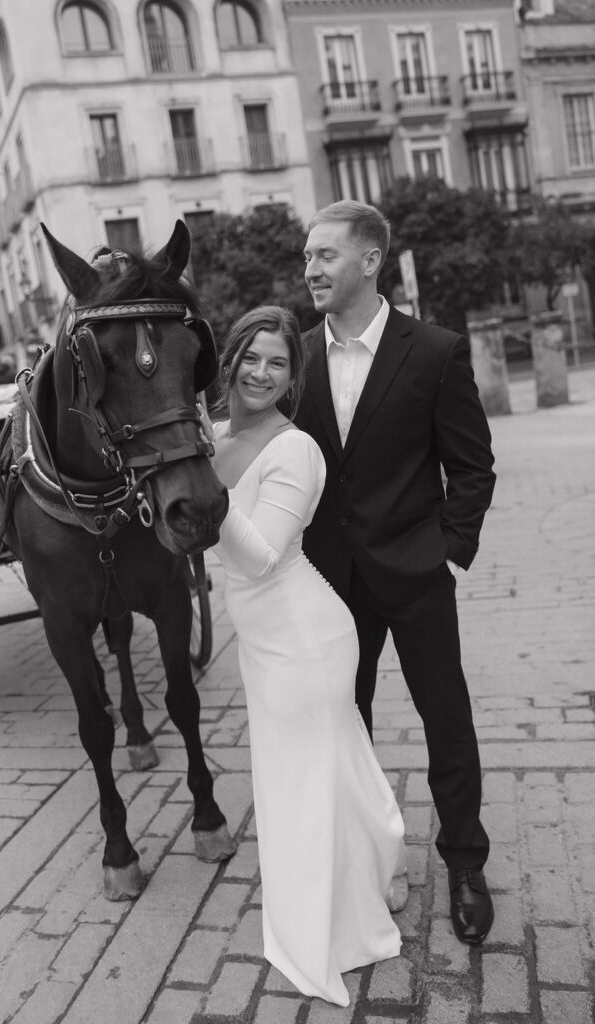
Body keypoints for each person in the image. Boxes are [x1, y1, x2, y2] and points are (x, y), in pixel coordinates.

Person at [295, 199, 496, 946]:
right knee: (345, 725)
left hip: (414, 572)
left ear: (371, 260)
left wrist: (445, 548)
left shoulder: (436, 351)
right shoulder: (297, 357)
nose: (309, 268)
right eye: (307, 257)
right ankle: (368, 858)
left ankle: (466, 863)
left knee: (447, 718)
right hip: (330, 580)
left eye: (324, 255)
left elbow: (472, 469)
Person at [209, 305, 406, 1007]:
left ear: (293, 377)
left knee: (302, 785)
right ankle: (371, 867)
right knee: (314, 775)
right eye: (251, 357)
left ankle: (331, 923)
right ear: (228, 361)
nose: (261, 373)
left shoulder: (293, 449)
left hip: (304, 636)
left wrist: (205, 494)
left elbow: (260, 558)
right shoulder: (214, 439)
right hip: (265, 644)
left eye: (279, 362)